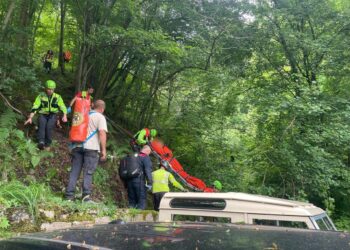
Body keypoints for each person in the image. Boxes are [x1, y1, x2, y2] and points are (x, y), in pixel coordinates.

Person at [65, 100, 108, 202]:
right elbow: (102, 133)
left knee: (74, 171)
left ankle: (69, 196)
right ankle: (85, 197)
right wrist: (104, 150)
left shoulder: (83, 113)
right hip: (91, 148)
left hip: (77, 146)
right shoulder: (100, 117)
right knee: (88, 172)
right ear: (102, 109)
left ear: (93, 106)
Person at [24, 80, 67, 150]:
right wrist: (30, 117)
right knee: (42, 126)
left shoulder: (58, 97)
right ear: (46, 88)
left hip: (52, 115)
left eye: (52, 89)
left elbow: (62, 106)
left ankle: (48, 144)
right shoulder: (41, 96)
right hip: (43, 114)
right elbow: (35, 106)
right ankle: (41, 142)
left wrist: (64, 115)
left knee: (49, 128)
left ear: (54, 89)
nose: (50, 91)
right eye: (49, 89)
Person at [127, 145, 153, 209]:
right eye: (149, 152)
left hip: (129, 181)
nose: (149, 154)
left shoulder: (134, 155)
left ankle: (131, 214)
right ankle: (139, 217)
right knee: (141, 200)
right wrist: (150, 182)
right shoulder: (145, 157)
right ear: (147, 150)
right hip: (139, 181)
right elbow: (148, 170)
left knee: (132, 201)